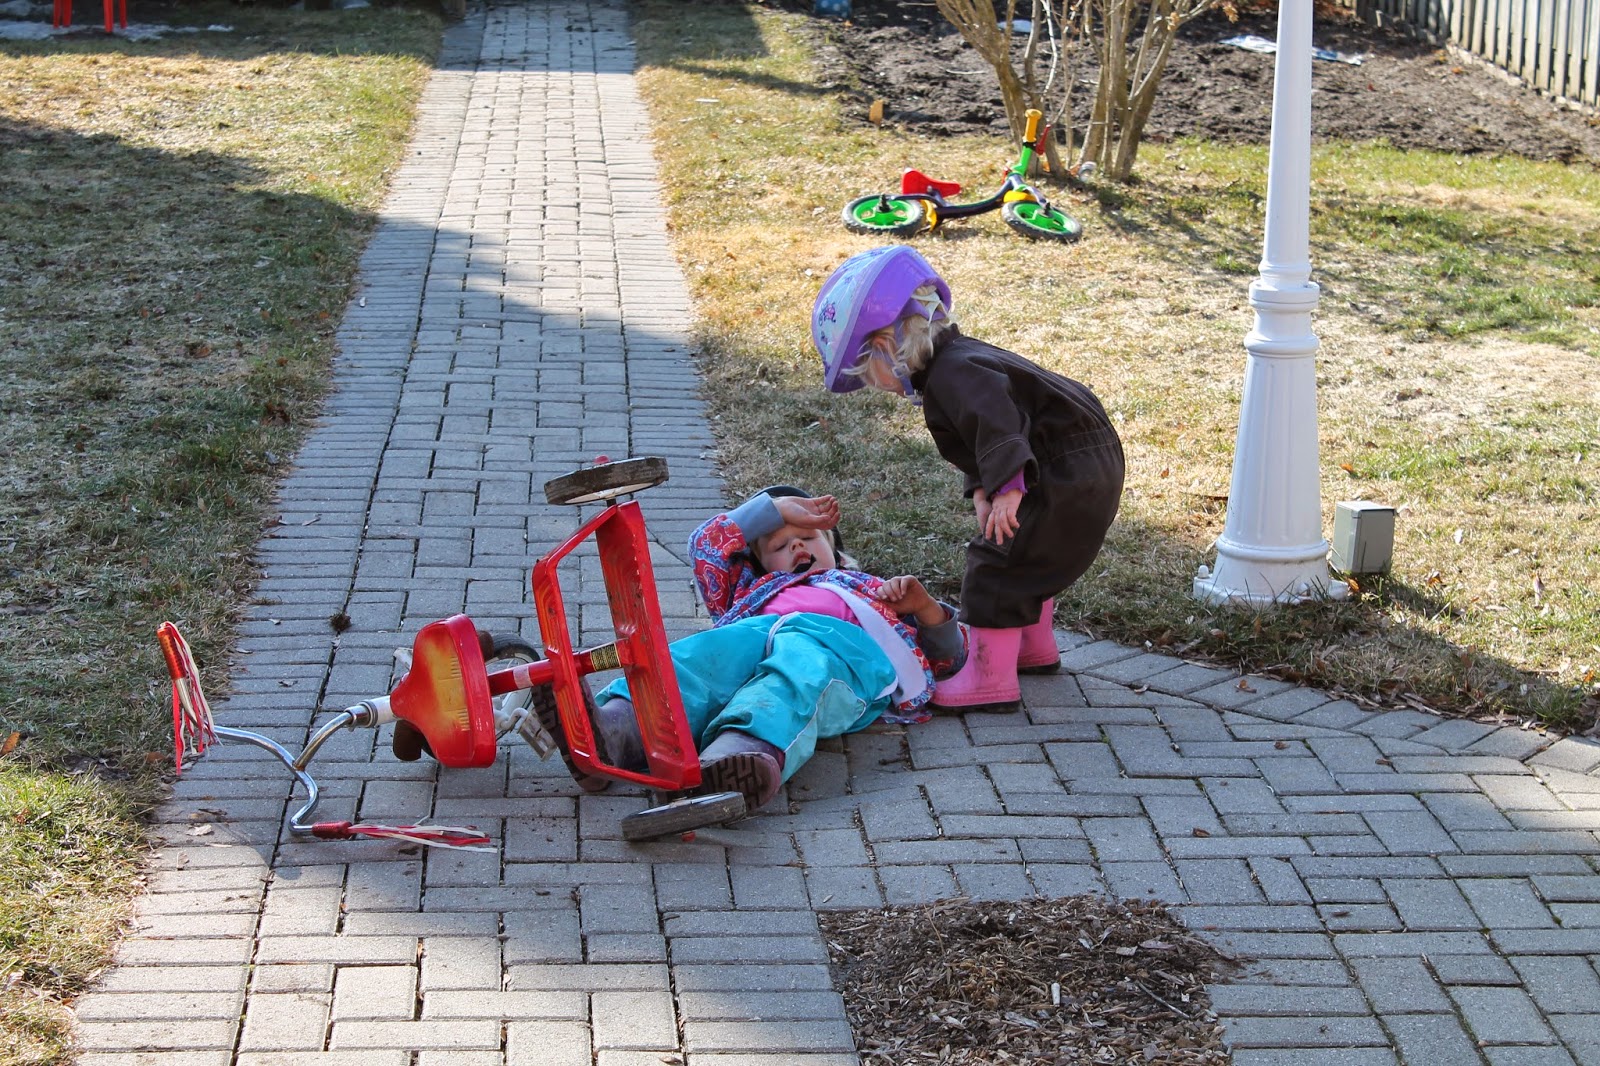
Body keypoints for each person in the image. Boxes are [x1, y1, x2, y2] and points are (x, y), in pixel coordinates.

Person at [811, 244, 1124, 714]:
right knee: (1030, 557)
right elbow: (980, 434)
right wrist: (982, 487)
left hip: (1061, 467)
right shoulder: (961, 359)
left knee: (996, 564)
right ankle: (1031, 648)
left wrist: (1008, 488)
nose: (878, 387)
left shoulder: (953, 372)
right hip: (1084, 461)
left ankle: (989, 678)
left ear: (886, 345)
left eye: (870, 375)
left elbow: (998, 424)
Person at [537, 486, 967, 812]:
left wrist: (924, 609)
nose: (796, 544)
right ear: (759, 564)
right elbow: (705, 544)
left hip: (840, 654)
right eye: (779, 545)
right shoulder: (748, 592)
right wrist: (776, 509)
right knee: (699, 657)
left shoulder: (872, 591)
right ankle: (615, 731)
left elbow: (948, 660)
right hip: (755, 638)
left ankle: (739, 754)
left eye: (808, 536)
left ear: (835, 549)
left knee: (797, 671)